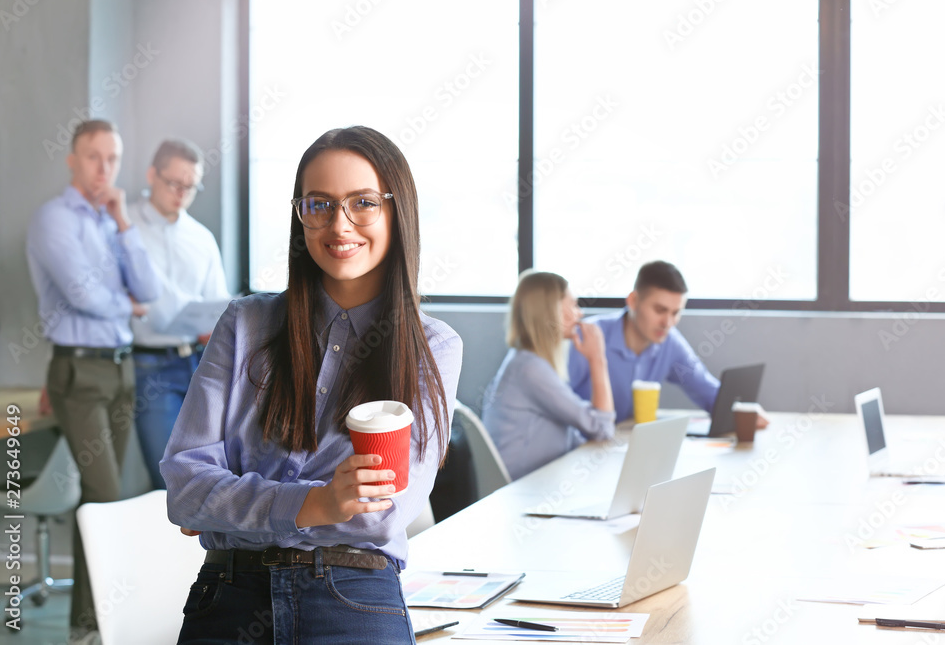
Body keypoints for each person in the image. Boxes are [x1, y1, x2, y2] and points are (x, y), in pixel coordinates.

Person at [161, 126, 463, 644]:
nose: (339, 224)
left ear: (397, 211)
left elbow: (379, 516)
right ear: (300, 215)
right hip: (228, 595)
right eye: (319, 204)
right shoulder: (245, 325)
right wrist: (321, 502)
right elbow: (185, 488)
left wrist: (230, 512)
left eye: (363, 202)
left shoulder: (431, 347)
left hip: (351, 595)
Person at [26, 119, 159, 638]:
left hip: (121, 367)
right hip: (78, 368)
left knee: (106, 498)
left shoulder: (111, 222)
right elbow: (83, 295)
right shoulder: (51, 219)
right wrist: (126, 305)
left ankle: (91, 620)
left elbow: (148, 288)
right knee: (103, 496)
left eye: (113, 158)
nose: (104, 168)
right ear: (73, 160)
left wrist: (124, 222)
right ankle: (91, 625)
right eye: (93, 157)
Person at [128, 138, 230, 489]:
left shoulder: (201, 238)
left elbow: (217, 302)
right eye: (174, 183)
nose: (182, 193)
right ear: (152, 175)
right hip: (150, 366)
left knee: (208, 471)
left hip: (199, 364)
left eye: (190, 187)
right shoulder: (123, 226)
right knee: (167, 479)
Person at [568, 261, 769, 428]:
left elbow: (706, 389)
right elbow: (559, 402)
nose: (668, 323)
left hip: (621, 446)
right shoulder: (586, 337)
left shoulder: (669, 342)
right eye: (659, 310)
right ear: (633, 301)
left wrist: (741, 409)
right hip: (582, 447)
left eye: (675, 313)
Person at [482, 270, 615, 480]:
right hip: (522, 489)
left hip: (540, 482)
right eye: (573, 305)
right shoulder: (530, 369)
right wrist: (598, 359)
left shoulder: (526, 361)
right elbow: (601, 428)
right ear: (551, 312)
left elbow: (576, 434)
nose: (579, 313)